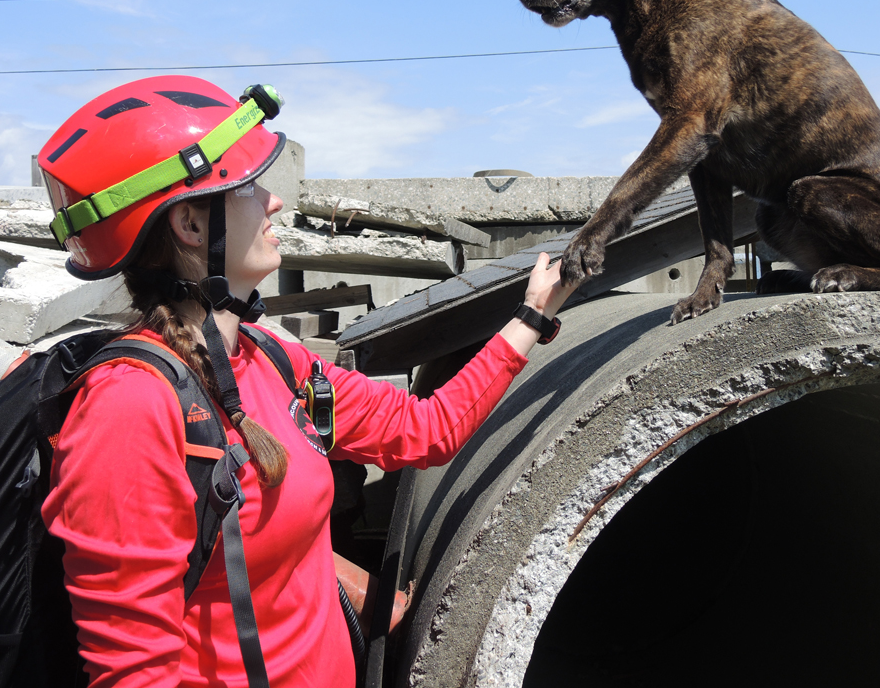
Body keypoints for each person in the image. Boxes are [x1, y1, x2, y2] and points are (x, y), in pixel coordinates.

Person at [36, 75, 574, 688]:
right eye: (248, 187)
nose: (274, 202)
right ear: (189, 224)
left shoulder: (271, 360)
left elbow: (428, 429)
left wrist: (534, 314)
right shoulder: (130, 409)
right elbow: (134, 674)